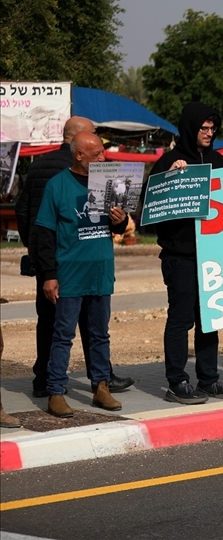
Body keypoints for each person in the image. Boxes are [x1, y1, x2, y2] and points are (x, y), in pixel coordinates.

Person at [14, 116, 134, 399]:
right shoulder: (58, 183)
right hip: (67, 271)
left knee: (98, 333)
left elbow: (114, 224)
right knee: (62, 333)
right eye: (97, 152)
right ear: (78, 152)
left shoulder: (108, 181)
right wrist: (49, 271)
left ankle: (100, 385)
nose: (103, 157)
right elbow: (42, 229)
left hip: (99, 271)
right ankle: (54, 389)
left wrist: (119, 220)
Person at [150, 102, 223, 404]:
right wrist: (170, 182)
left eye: (213, 128)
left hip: (212, 256)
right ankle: (177, 382)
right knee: (180, 320)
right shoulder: (168, 163)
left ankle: (208, 379)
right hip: (181, 257)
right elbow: (149, 212)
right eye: (203, 128)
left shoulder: (218, 161)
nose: (209, 133)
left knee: (210, 319)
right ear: (190, 127)